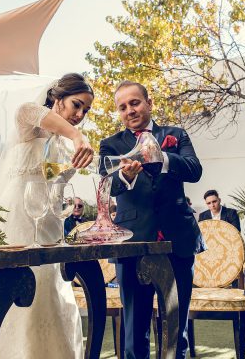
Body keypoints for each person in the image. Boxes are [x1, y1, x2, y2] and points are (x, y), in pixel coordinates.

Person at [0, 73, 95, 359]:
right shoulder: (28, 117)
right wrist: (77, 135)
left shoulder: (62, 146)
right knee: (11, 287)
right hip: (17, 224)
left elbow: (56, 188)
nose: (80, 114)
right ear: (57, 98)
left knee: (49, 290)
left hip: (49, 227)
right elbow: (42, 119)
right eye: (76, 105)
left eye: (85, 110)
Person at [99, 80, 205, 359]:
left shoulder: (176, 135)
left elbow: (194, 170)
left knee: (176, 328)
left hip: (177, 239)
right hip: (132, 242)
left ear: (149, 103)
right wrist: (126, 176)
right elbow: (106, 187)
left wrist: (162, 157)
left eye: (134, 103)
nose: (129, 111)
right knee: (134, 331)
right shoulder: (109, 145)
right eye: (122, 107)